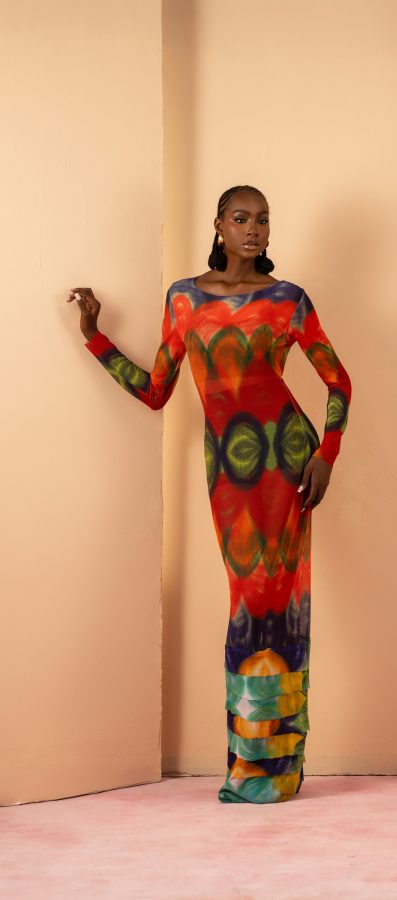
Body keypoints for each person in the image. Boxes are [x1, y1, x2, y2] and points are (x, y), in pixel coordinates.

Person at [67, 184, 352, 803]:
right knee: (249, 602)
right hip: (228, 468)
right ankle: (255, 764)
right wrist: (94, 336)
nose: (254, 229)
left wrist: (326, 455)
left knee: (270, 603)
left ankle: (266, 770)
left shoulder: (287, 299)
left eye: (263, 219)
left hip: (286, 461)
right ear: (219, 225)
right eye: (241, 218)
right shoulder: (184, 298)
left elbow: (338, 381)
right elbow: (156, 391)